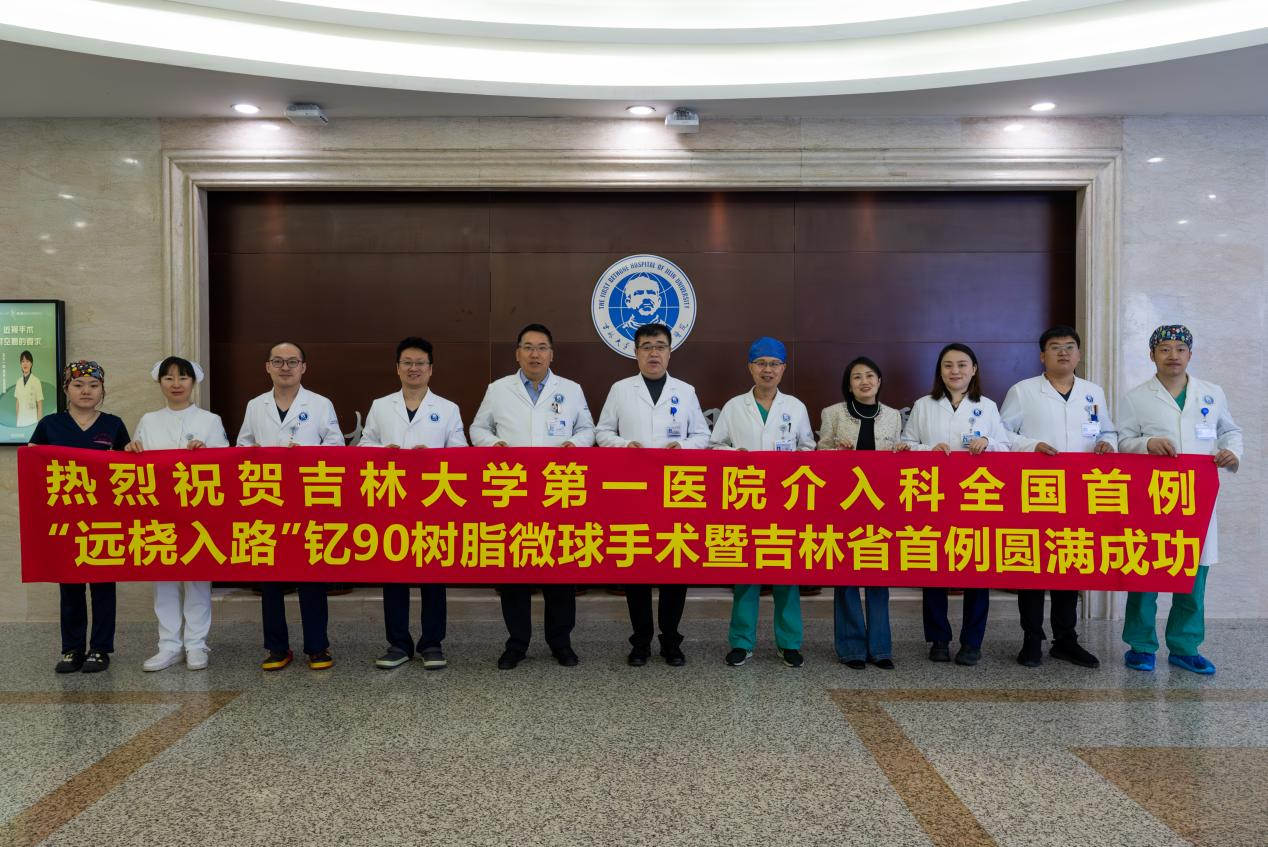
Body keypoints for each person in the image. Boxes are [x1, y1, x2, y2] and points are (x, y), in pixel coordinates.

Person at [1117, 324, 1242, 675]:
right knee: (1146, 572)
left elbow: (1230, 431)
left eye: (1180, 349)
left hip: (1196, 502)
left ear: (1190, 354)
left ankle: (1185, 647)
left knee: (1193, 575)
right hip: (1152, 499)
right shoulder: (1136, 397)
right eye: (1165, 349)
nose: (1173, 355)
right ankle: (1141, 646)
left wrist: (1231, 452)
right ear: (1152, 355)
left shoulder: (1211, 393)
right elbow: (1122, 441)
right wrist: (1147, 444)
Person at [470, 323, 595, 670]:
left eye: (541, 347)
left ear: (551, 354)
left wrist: (575, 443)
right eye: (528, 347)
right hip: (513, 492)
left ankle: (561, 642)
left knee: (560, 572)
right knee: (514, 572)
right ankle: (517, 643)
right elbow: (478, 428)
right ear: (517, 354)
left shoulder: (570, 389)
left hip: (557, 491)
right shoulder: (498, 389)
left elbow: (588, 429)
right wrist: (494, 444)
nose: (535, 354)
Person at [1000, 325, 1115, 669]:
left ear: (1078, 355)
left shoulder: (1093, 392)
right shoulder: (1022, 391)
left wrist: (1107, 442)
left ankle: (1066, 640)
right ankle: (1031, 639)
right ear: (1042, 356)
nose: (1063, 352)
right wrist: (1030, 444)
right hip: (1036, 491)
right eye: (1055, 347)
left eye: (1069, 347)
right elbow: (1000, 433)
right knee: (1033, 567)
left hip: (1080, 493)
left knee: (1069, 564)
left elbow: (1108, 429)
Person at [596, 323, 710, 666]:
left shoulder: (685, 391)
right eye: (646, 346)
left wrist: (684, 447)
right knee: (637, 568)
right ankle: (641, 641)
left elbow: (703, 436)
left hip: (676, 490)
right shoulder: (620, 389)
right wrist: (624, 445)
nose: (654, 353)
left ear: (670, 352)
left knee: (675, 565)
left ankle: (671, 640)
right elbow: (602, 432)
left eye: (660, 346)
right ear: (636, 353)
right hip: (634, 491)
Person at [899, 342, 1010, 666]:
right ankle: (938, 638)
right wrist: (929, 449)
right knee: (934, 567)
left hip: (977, 498)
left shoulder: (987, 406)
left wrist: (988, 442)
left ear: (973, 370)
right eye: (948, 365)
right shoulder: (923, 405)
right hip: (934, 497)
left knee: (977, 570)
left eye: (962, 364)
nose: (955, 371)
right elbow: (906, 444)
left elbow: (1006, 446)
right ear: (940, 371)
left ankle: (972, 642)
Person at [360, 337, 467, 670]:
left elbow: (461, 452)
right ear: (397, 368)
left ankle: (432, 643)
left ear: (431, 369)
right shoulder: (381, 405)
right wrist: (384, 452)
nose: (414, 368)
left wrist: (432, 457)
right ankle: (398, 644)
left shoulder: (448, 408)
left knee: (433, 576)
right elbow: (364, 445)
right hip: (392, 500)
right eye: (407, 362)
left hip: (433, 501)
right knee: (394, 574)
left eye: (420, 363)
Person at [237, 342, 344, 671]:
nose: (285, 367)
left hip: (308, 499)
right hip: (268, 500)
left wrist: (306, 454)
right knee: (270, 579)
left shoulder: (320, 404)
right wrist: (256, 452)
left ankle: (317, 646)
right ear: (267, 367)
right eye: (278, 361)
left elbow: (337, 445)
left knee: (311, 576)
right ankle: (276, 647)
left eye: (292, 362)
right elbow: (242, 445)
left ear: (303, 367)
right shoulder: (256, 405)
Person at [710, 337, 815, 668]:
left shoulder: (795, 407)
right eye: (761, 364)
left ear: (783, 368)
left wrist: (796, 459)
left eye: (774, 364)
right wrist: (734, 454)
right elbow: (715, 447)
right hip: (747, 499)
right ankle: (741, 642)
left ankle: (789, 643)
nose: (767, 370)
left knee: (786, 573)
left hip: (786, 501)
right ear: (750, 368)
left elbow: (808, 448)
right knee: (746, 574)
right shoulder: (733, 406)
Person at [125, 357, 230, 672]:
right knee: (164, 580)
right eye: (168, 378)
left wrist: (206, 452)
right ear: (159, 383)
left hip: (198, 512)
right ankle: (168, 645)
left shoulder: (210, 420)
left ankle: (196, 644)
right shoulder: (148, 420)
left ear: (193, 382)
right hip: (160, 512)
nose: (176, 384)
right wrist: (131, 451)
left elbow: (227, 463)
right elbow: (136, 463)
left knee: (198, 580)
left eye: (183, 377)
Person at [29, 360, 130, 674]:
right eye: (78, 385)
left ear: (102, 390)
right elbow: (33, 467)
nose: (86, 391)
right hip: (64, 519)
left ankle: (100, 649)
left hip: (104, 519)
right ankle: (72, 649)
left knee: (103, 586)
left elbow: (129, 472)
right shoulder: (49, 425)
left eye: (93, 385)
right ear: (66, 389)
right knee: (70, 585)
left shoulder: (113, 425)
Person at [819, 356, 904, 671]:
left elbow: (899, 456)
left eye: (870, 375)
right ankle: (851, 648)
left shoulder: (894, 416)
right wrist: (835, 452)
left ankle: (880, 648)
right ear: (849, 384)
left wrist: (902, 452)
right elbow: (819, 455)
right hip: (844, 505)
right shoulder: (832, 413)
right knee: (846, 577)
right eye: (857, 377)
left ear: (879, 381)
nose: (864, 381)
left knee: (878, 576)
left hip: (881, 506)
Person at [14, 349, 43, 427]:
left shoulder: (36, 381)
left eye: (27, 361)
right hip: (20, 422)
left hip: (32, 421)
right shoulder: (18, 382)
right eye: (23, 361)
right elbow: (17, 402)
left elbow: (40, 405)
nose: (25, 364)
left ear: (31, 364)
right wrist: (17, 420)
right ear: (20, 364)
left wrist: (39, 424)